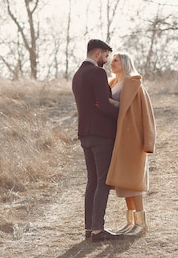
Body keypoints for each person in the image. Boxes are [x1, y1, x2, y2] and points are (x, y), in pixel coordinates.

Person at [71, 39, 123, 242]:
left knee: (92, 181)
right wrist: (122, 112)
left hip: (85, 134)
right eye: (106, 55)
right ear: (97, 54)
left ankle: (89, 229)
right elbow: (102, 104)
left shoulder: (77, 75)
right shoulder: (97, 73)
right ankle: (98, 231)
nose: (107, 60)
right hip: (101, 135)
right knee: (103, 181)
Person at [106, 52, 156, 236]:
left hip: (133, 139)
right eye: (111, 60)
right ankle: (130, 222)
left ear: (125, 63)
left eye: (116, 60)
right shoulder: (112, 83)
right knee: (124, 182)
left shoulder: (134, 83)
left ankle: (141, 224)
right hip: (119, 138)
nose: (112, 63)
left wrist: (148, 141)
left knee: (133, 182)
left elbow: (147, 113)